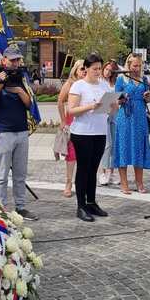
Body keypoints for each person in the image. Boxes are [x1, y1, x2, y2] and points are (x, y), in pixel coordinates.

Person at [0, 45, 38, 220]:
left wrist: (19, 91)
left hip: (21, 131)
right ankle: (0, 207)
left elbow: (30, 105)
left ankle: (21, 206)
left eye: (17, 59)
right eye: (12, 59)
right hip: (4, 132)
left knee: (20, 173)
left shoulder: (22, 78)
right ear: (4, 60)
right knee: (2, 174)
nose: (15, 63)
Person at [66, 53, 113, 222]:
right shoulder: (78, 86)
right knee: (83, 168)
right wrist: (91, 106)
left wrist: (115, 104)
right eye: (95, 69)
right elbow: (71, 110)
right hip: (82, 132)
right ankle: (81, 206)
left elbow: (111, 110)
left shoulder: (105, 85)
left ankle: (91, 202)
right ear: (86, 69)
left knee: (93, 168)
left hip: (100, 132)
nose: (98, 72)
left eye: (100, 68)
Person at [113, 53, 150, 194]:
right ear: (128, 65)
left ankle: (139, 182)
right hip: (125, 117)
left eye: (139, 65)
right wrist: (122, 99)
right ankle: (124, 184)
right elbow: (115, 99)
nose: (137, 68)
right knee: (123, 148)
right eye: (134, 65)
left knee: (139, 149)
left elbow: (147, 100)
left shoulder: (144, 79)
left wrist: (147, 98)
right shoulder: (121, 79)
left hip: (140, 118)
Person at [58, 60, 86, 197]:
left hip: (86, 122)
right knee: (71, 154)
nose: (84, 72)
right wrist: (63, 120)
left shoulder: (89, 84)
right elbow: (59, 101)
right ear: (75, 70)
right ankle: (68, 183)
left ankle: (82, 183)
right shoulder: (70, 84)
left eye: (86, 70)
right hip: (72, 121)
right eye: (82, 69)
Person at [98, 59, 119, 186]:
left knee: (114, 145)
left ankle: (111, 172)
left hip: (114, 114)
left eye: (110, 71)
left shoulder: (115, 83)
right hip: (103, 114)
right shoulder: (99, 82)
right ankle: (103, 172)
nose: (107, 72)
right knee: (107, 144)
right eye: (106, 69)